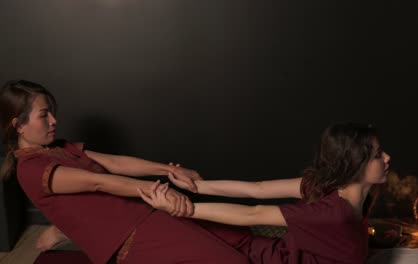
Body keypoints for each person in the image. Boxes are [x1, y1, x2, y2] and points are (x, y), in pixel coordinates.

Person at [0, 80, 250, 264]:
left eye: (52, 112)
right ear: (19, 125)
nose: (54, 121)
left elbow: (116, 163)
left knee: (237, 236)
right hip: (128, 237)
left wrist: (169, 170)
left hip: (145, 211)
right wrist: (163, 192)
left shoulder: (59, 147)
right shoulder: (31, 169)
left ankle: (61, 231)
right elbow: (99, 182)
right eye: (44, 115)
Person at [140, 122, 391, 263]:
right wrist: (187, 202)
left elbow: (257, 189)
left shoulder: (360, 196)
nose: (387, 158)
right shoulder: (333, 210)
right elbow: (254, 206)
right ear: (355, 164)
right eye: (378, 155)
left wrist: (197, 188)